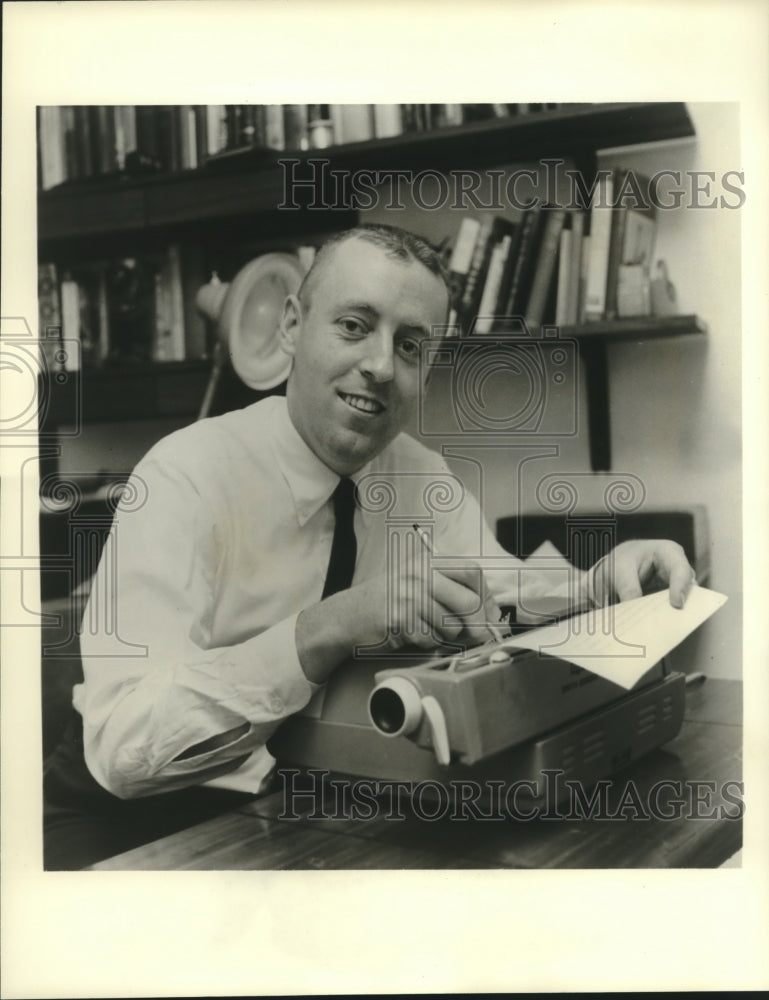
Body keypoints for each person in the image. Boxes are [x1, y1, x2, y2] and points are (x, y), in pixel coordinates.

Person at [43, 223, 695, 868]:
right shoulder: (183, 474)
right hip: (130, 821)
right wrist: (324, 629)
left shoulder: (419, 476)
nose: (381, 366)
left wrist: (597, 588)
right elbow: (124, 752)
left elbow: (503, 591)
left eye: (409, 346)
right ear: (291, 327)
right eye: (353, 326)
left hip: (299, 802)